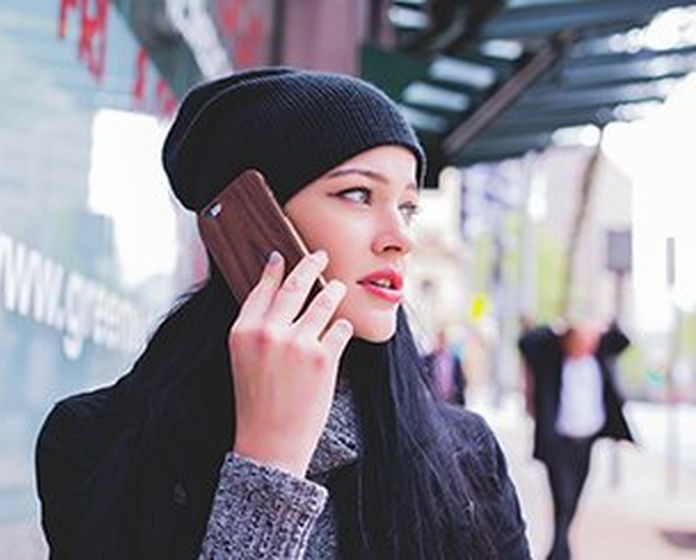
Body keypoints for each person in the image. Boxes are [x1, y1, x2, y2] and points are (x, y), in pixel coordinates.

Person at [36, 68, 530, 559]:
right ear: (254, 221)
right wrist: (268, 467)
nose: (400, 237)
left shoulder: (465, 455)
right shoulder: (97, 442)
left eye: (406, 207)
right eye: (357, 194)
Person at [518, 319, 634, 560]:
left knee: (574, 498)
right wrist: (556, 329)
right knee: (563, 495)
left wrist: (600, 326)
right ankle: (561, 552)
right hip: (558, 442)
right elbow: (525, 343)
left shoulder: (599, 355)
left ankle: (559, 549)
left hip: (586, 440)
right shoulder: (552, 358)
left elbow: (624, 340)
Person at [422, 328, 467, 406]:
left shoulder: (454, 360)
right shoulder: (428, 360)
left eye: (443, 340)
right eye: (439, 340)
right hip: (434, 401)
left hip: (452, 401)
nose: (441, 343)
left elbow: (461, 380)